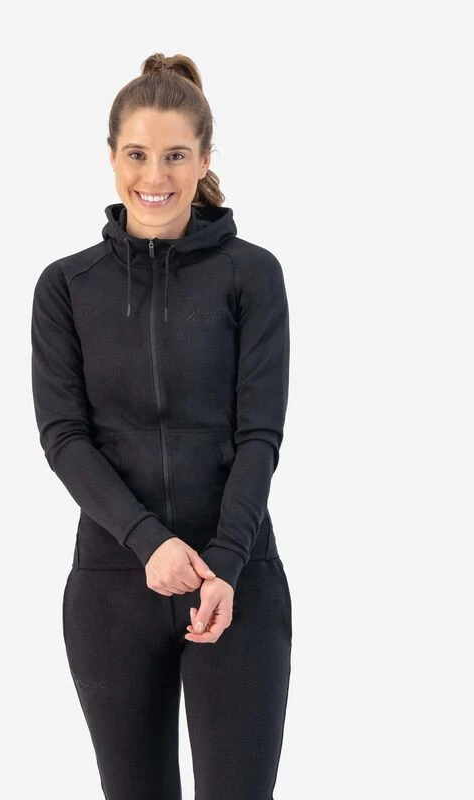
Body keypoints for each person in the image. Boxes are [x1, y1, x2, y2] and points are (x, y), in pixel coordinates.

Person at [31, 51, 292, 800]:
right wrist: (149, 543)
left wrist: (226, 563)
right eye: (137, 154)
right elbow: (63, 435)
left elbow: (260, 434)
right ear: (112, 157)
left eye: (176, 155)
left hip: (236, 580)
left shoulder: (252, 275)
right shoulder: (66, 286)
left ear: (205, 159)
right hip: (114, 584)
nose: (155, 175)